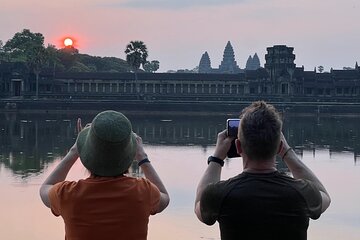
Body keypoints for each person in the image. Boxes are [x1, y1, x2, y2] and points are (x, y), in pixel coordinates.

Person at [195, 101, 331, 240]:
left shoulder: (220, 194)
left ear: (238, 146)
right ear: (279, 147)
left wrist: (217, 158)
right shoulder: (302, 192)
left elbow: (199, 205)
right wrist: (287, 153)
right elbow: (325, 196)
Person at [40, 110, 170, 240]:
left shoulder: (68, 194)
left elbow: (45, 187)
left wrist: (74, 151)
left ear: (86, 154)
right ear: (129, 155)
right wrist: (142, 157)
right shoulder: (142, 191)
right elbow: (164, 198)